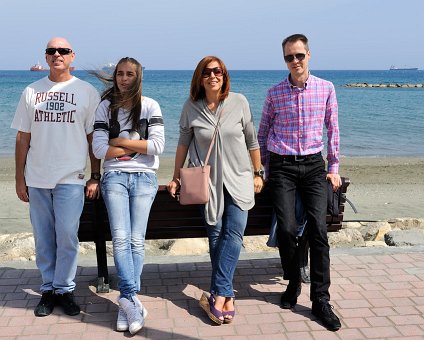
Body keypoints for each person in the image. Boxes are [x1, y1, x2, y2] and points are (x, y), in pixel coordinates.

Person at [167, 56, 264, 325]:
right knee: (216, 234)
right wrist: (175, 177)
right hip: (208, 183)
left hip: (240, 179)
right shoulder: (191, 107)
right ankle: (225, 296)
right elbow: (183, 145)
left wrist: (258, 173)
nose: (213, 76)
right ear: (200, 77)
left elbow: (252, 141)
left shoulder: (240, 102)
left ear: (224, 75)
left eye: (218, 71)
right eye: (207, 72)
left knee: (234, 234)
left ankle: (219, 293)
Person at [11, 37, 101, 317]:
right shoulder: (31, 91)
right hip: (36, 178)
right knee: (43, 238)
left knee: (67, 236)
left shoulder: (86, 92)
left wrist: (95, 174)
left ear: (72, 56)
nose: (57, 54)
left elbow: (92, 138)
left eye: (63, 50)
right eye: (51, 51)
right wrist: (19, 178)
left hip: (71, 177)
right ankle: (48, 289)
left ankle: (65, 288)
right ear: (46, 57)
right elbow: (22, 138)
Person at [258, 33, 342, 331]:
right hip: (282, 167)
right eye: (289, 57)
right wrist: (264, 168)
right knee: (288, 229)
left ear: (309, 55)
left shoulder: (325, 88)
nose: (295, 61)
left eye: (299, 55)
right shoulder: (274, 92)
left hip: (313, 166)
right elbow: (263, 132)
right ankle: (293, 283)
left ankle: (321, 301)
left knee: (319, 231)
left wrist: (333, 167)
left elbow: (333, 128)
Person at [92, 57, 165, 334]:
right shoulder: (105, 108)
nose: (124, 78)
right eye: (120, 74)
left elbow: (157, 145)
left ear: (138, 77)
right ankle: (130, 298)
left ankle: (127, 299)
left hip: (145, 179)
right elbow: (99, 150)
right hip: (114, 178)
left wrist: (120, 141)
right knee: (121, 239)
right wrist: (138, 147)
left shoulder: (150, 105)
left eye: (130, 74)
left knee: (137, 240)